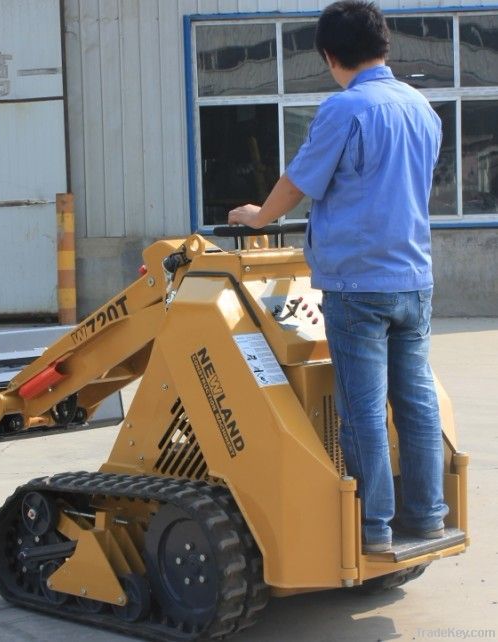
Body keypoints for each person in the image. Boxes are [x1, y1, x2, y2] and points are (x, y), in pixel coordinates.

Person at [228, 0, 449, 553]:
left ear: (330, 55)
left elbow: (299, 180)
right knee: (417, 402)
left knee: (364, 409)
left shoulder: (344, 110)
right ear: (385, 45)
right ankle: (428, 516)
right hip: (414, 280)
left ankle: (373, 528)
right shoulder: (423, 108)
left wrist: (259, 217)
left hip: (357, 286)